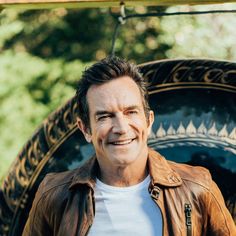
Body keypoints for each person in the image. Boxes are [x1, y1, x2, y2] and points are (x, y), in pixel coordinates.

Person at [23, 56, 236, 236]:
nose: (121, 128)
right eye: (105, 116)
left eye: (131, 112)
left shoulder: (197, 187)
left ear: (149, 120)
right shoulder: (54, 194)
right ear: (85, 129)